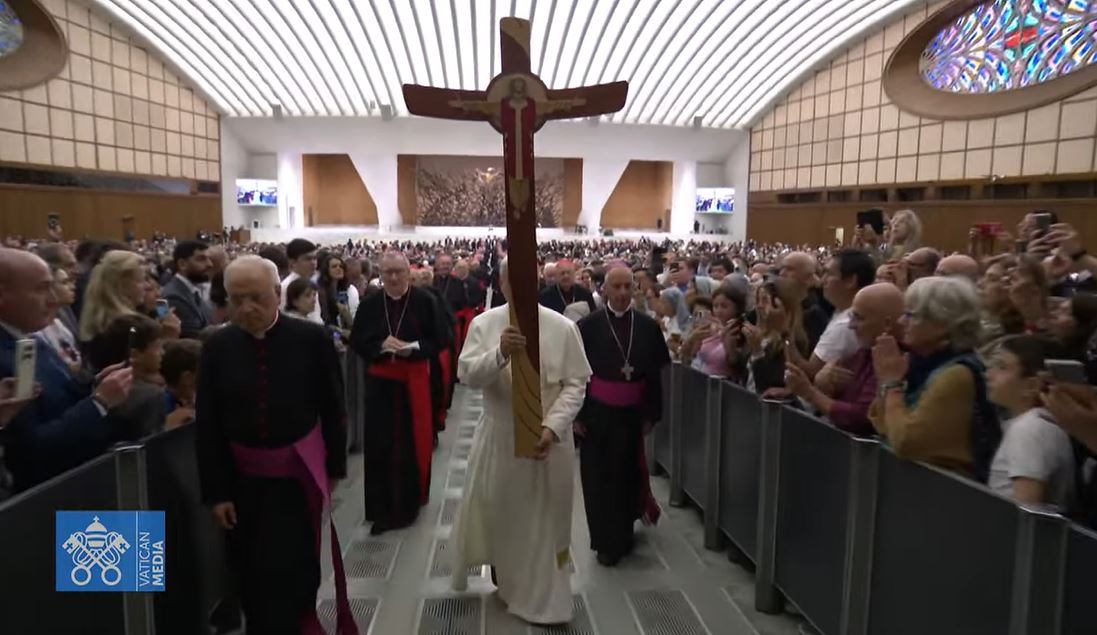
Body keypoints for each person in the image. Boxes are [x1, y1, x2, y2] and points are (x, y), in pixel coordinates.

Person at [195, 255, 354, 635]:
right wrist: (216, 492)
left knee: (297, 566)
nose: (246, 308)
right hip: (241, 483)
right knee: (248, 571)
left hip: (297, 478)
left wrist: (333, 469)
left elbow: (333, 409)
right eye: (236, 299)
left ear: (275, 294)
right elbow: (209, 424)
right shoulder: (217, 348)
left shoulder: (312, 340)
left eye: (256, 298)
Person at [451, 257, 592, 625]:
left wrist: (553, 426)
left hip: (550, 441)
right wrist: (499, 353)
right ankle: (510, 585)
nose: (522, 285)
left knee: (549, 521)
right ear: (502, 284)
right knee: (507, 517)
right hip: (500, 437)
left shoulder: (561, 327)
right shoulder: (485, 324)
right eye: (514, 279)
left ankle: (550, 599)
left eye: (529, 278)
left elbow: (576, 383)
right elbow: (467, 376)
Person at [0, 248, 133, 491]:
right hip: (48, 501)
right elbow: (32, 450)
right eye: (41, 289)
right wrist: (99, 402)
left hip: (78, 483)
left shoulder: (27, 338)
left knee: (149, 529)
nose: (53, 299)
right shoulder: (7, 353)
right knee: (139, 531)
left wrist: (93, 385)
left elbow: (58, 396)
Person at [576, 266, 670, 566]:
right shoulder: (587, 326)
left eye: (628, 286)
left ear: (635, 289)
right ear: (604, 289)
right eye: (615, 287)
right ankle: (604, 541)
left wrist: (651, 414)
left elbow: (654, 376)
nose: (621, 293)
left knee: (627, 476)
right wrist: (577, 415)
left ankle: (624, 535)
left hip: (631, 416)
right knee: (598, 478)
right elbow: (576, 376)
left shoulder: (647, 326)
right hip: (596, 415)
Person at [350, 251, 449, 534]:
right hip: (380, 383)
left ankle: (409, 503)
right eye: (387, 272)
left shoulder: (425, 301)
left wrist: (414, 348)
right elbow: (358, 340)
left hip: (414, 380)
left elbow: (441, 338)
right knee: (380, 444)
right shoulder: (370, 304)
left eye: (398, 272)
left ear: (408, 272)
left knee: (410, 442)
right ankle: (380, 510)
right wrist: (380, 346)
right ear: (380, 274)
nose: (393, 277)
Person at [870, 276, 1001, 481]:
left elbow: (906, 442)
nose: (901, 322)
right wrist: (886, 378)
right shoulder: (918, 364)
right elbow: (881, 423)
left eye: (910, 315)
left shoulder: (957, 375)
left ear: (943, 323)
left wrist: (891, 383)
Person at [785, 283, 905, 436]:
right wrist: (824, 386)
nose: (851, 326)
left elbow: (861, 417)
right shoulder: (865, 352)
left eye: (859, 318)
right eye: (851, 317)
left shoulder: (894, 359)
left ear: (887, 324)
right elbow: (843, 399)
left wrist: (810, 392)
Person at [985, 335, 1075, 510]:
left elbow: (1027, 511)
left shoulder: (1030, 429)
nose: (988, 374)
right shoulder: (1031, 424)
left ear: (1031, 386)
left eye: (1001, 367)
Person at [79, 249, 180, 372]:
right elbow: (147, 373)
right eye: (141, 280)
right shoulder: (125, 326)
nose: (147, 286)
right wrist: (168, 338)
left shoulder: (100, 318)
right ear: (120, 284)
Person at [161, 240, 214, 338]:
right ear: (182, 264)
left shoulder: (191, 290)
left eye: (209, 259)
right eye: (201, 259)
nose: (210, 264)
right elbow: (195, 336)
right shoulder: (174, 297)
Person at [281, 238, 322, 324]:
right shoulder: (286, 286)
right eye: (308, 259)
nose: (313, 263)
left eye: (315, 258)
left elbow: (316, 317)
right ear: (293, 262)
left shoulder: (311, 282)